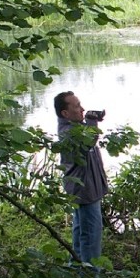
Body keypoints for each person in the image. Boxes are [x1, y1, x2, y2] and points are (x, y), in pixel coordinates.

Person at [54, 91, 109, 264]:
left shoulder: (76, 128)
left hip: (85, 190)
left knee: (81, 230)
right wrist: (92, 122)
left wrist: (91, 121)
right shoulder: (68, 133)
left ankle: (76, 268)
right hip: (84, 191)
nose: (82, 109)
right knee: (91, 234)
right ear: (65, 113)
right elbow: (88, 141)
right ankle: (92, 276)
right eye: (77, 106)